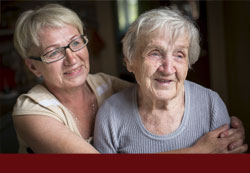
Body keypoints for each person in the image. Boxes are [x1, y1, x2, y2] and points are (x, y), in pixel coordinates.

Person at [12, 4, 246, 154]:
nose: (71, 59)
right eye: (53, 52)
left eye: (75, 43)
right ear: (33, 66)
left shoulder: (104, 84)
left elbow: (150, 89)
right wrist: (197, 153)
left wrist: (232, 134)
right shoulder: (30, 112)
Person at [93, 7, 248, 153]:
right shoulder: (110, 115)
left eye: (179, 55)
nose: (167, 69)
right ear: (130, 62)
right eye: (155, 53)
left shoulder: (210, 105)